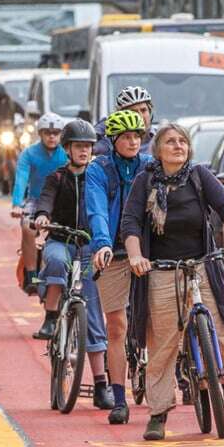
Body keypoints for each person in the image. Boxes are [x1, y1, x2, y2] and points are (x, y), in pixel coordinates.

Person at [121, 122, 224, 442]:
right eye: (170, 142)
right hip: (161, 269)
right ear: (158, 149)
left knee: (219, 328)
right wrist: (136, 257)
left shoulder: (199, 175)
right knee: (162, 345)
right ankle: (159, 412)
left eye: (183, 142)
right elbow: (131, 222)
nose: (178, 146)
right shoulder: (145, 181)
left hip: (202, 264)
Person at [31, 119, 114, 410]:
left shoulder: (99, 176)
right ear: (67, 149)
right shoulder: (57, 177)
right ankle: (52, 315)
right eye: (78, 146)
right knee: (54, 260)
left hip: (90, 247)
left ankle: (102, 383)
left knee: (92, 310)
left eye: (88, 147)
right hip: (61, 239)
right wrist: (42, 216)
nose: (84, 151)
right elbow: (46, 199)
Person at [86, 109, 151, 425]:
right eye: (126, 136)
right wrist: (102, 243)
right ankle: (119, 399)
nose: (132, 141)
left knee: (161, 320)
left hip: (146, 253)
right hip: (113, 253)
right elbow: (96, 209)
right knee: (116, 326)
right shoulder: (99, 169)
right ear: (113, 140)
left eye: (137, 136)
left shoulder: (150, 167)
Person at [12, 113, 67, 290]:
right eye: (47, 133)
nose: (52, 137)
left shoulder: (67, 153)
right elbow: (21, 179)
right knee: (28, 227)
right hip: (35, 200)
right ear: (40, 134)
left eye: (56, 133)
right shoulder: (29, 153)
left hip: (62, 199)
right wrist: (16, 204)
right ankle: (31, 276)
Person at [93, 86, 154, 157]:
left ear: (150, 112)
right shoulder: (109, 139)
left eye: (143, 110)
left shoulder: (159, 139)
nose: (140, 116)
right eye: (133, 112)